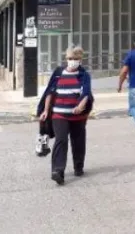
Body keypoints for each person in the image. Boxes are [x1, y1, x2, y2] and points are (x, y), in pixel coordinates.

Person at [37, 46, 93, 185]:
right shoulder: (58, 73)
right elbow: (50, 91)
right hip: (59, 114)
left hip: (78, 116)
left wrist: (80, 106)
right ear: (66, 59)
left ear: (80, 60)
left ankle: (78, 166)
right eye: (69, 58)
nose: (72, 61)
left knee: (78, 141)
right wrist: (45, 110)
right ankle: (57, 170)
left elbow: (86, 92)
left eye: (75, 59)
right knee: (61, 140)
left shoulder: (84, 75)